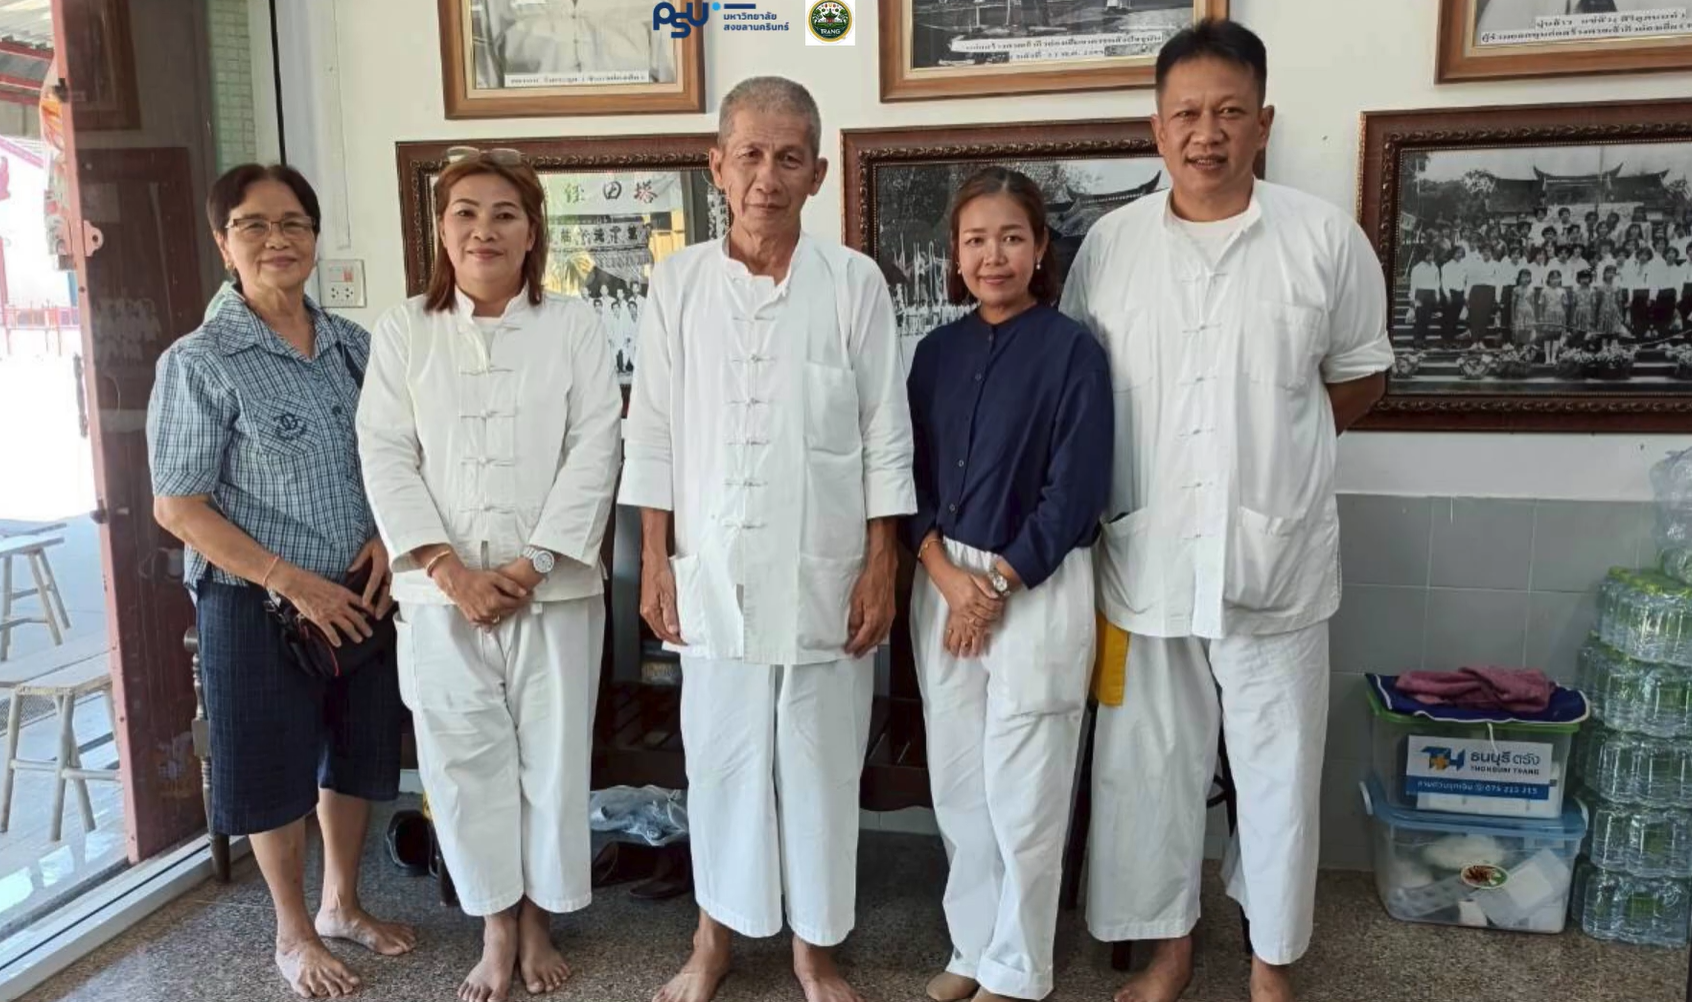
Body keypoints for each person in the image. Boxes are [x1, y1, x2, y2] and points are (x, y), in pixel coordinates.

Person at [1060, 21, 1392, 1002]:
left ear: (1264, 123)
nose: (1206, 134)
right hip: (1145, 562)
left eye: (1229, 113)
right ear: (1156, 129)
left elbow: (1361, 377)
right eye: (1187, 115)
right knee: (1149, 774)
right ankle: (1168, 951)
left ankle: (1269, 962)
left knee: (1278, 773)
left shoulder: (1323, 240)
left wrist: (1278, 454)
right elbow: (1078, 390)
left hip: (1274, 564)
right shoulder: (1111, 247)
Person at [620, 76, 915, 1002]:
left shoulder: (854, 283)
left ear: (818, 173)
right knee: (721, 762)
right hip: (712, 569)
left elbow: (886, 432)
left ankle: (814, 950)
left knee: (821, 766)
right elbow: (652, 430)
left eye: (789, 158)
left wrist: (883, 562)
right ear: (717, 165)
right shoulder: (677, 284)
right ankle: (712, 938)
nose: (767, 177)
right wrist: (656, 559)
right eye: (749, 154)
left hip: (828, 568)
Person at [357, 147, 622, 1002]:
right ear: (441, 229)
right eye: (465, 213)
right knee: (462, 763)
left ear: (532, 231)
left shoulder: (573, 324)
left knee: (552, 758)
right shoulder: (405, 330)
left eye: (505, 213)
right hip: (440, 596)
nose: (484, 230)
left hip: (554, 588)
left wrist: (532, 562)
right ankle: (495, 924)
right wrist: (449, 569)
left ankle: (540, 916)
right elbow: (386, 454)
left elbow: (596, 444)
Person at [146, 164, 415, 999]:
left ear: (315, 237)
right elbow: (178, 505)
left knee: (355, 754)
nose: (277, 240)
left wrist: (385, 536)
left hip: (358, 592)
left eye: (294, 223)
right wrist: (289, 581)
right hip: (255, 601)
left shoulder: (354, 347)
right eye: (254, 225)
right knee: (271, 768)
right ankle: (292, 932)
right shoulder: (200, 361)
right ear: (222, 241)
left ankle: (342, 903)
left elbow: (397, 456)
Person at [905, 167, 1112, 1002]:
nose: (994, 256)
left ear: (1040, 248)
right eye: (977, 240)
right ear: (956, 256)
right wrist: (947, 578)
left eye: (1012, 238)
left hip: (1034, 586)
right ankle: (971, 946)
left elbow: (1076, 490)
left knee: (1026, 786)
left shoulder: (1072, 352)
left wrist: (991, 585)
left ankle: (1019, 969)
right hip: (943, 580)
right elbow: (910, 477)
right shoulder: (935, 354)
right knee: (959, 780)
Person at [1407, 247, 1440, 349]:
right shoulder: (1417, 268)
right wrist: (1412, 298)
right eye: (1429, 255)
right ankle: (1417, 341)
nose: (1431, 257)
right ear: (1423, 256)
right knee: (1420, 318)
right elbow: (1413, 284)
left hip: (1430, 295)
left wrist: (1437, 295)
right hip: (1420, 294)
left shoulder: (1435, 268)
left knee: (1427, 319)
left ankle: (1423, 340)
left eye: (1432, 255)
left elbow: (1437, 283)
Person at [1465, 244, 1498, 341]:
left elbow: (1499, 281)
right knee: (1475, 316)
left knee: (1485, 316)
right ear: (1481, 252)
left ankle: (1481, 340)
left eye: (1488, 251)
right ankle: (1474, 341)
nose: (1486, 253)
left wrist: (1497, 297)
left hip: (1489, 291)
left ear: (1492, 253)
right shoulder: (1475, 264)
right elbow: (1470, 279)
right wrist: (1466, 295)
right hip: (1476, 291)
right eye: (1484, 251)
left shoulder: (1496, 265)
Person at [1440, 245, 1469, 343]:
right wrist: (1447, 295)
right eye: (1457, 253)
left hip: (1460, 294)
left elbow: (1465, 281)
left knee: (1455, 318)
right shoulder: (1446, 266)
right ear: (1453, 253)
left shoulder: (1464, 267)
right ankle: (1445, 340)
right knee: (1447, 317)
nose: (1459, 255)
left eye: (1461, 253)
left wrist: (1465, 295)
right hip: (1450, 294)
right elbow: (1444, 282)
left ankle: (1452, 340)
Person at [1510, 268, 1539, 347]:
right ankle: (1518, 347)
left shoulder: (1531, 290)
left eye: (1527, 277)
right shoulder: (1516, 289)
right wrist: (1513, 317)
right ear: (1519, 278)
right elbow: (1513, 304)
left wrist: (1534, 317)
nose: (1525, 279)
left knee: (1528, 329)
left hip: (1529, 312)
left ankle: (1526, 347)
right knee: (1519, 330)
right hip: (1519, 311)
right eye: (1523, 277)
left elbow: (1533, 303)